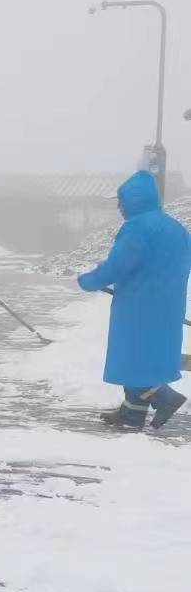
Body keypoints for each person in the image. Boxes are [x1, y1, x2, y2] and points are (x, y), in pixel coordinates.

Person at [76, 170, 191, 429]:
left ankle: (165, 398)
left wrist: (90, 280)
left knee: (133, 356)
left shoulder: (137, 227)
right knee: (150, 355)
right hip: (168, 304)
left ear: (134, 200)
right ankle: (132, 413)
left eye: (121, 202)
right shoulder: (176, 228)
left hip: (138, 305)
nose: (119, 208)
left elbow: (119, 264)